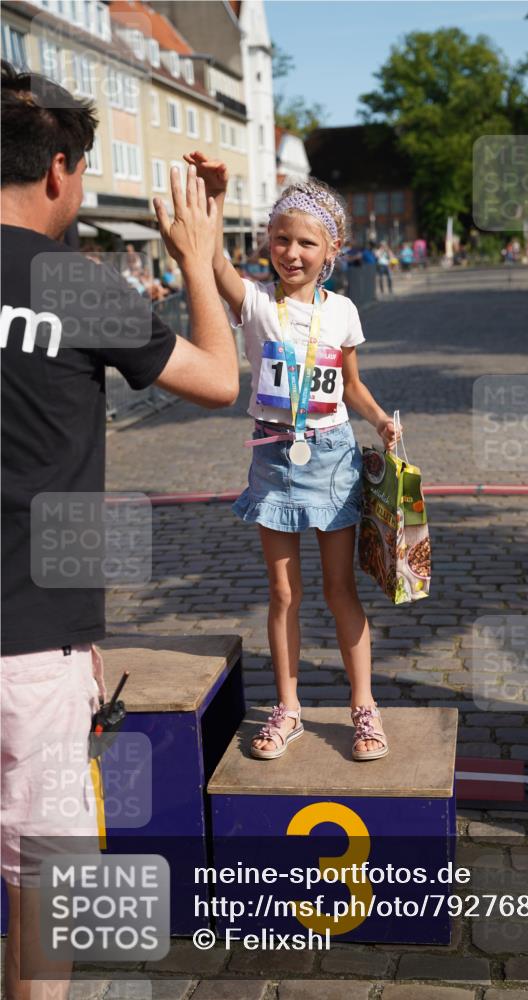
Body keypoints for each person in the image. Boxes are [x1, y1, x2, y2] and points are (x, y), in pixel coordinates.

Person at [1, 62, 239, 1000]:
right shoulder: (75, 284)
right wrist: (195, 255)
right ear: (59, 168)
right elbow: (219, 379)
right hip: (31, 642)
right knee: (44, 888)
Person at [184, 149, 398, 763]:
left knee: (339, 589)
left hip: (331, 459)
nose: (292, 252)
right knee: (282, 593)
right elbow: (212, 259)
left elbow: (351, 384)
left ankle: (364, 706)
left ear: (331, 251)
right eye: (281, 239)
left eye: (307, 242)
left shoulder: (342, 311)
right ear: (267, 242)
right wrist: (216, 196)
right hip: (274, 459)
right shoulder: (254, 303)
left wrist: (380, 420)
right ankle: (288, 707)